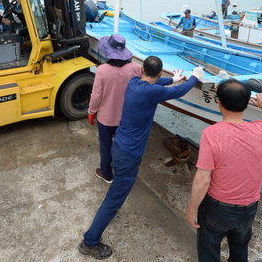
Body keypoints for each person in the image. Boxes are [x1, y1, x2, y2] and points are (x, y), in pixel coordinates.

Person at [79, 57, 205, 259]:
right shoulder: (151, 92)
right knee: (113, 199)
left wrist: (174, 79)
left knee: (118, 191)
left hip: (119, 147)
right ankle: (90, 241)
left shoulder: (134, 83)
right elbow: (178, 92)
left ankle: (115, 204)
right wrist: (193, 77)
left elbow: (159, 84)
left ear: (141, 70)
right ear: (160, 72)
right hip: (129, 155)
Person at [184, 80, 262, 262]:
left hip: (217, 207)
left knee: (209, 249)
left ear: (219, 102)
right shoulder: (261, 130)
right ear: (245, 105)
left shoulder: (211, 134)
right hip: (249, 207)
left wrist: (191, 209)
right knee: (240, 249)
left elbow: (203, 179)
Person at [88, 34, 142, 184]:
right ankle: (124, 174)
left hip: (106, 118)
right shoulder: (135, 68)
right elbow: (146, 81)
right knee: (124, 147)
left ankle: (106, 173)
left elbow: (96, 96)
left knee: (106, 147)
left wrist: (91, 112)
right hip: (126, 118)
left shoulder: (102, 70)